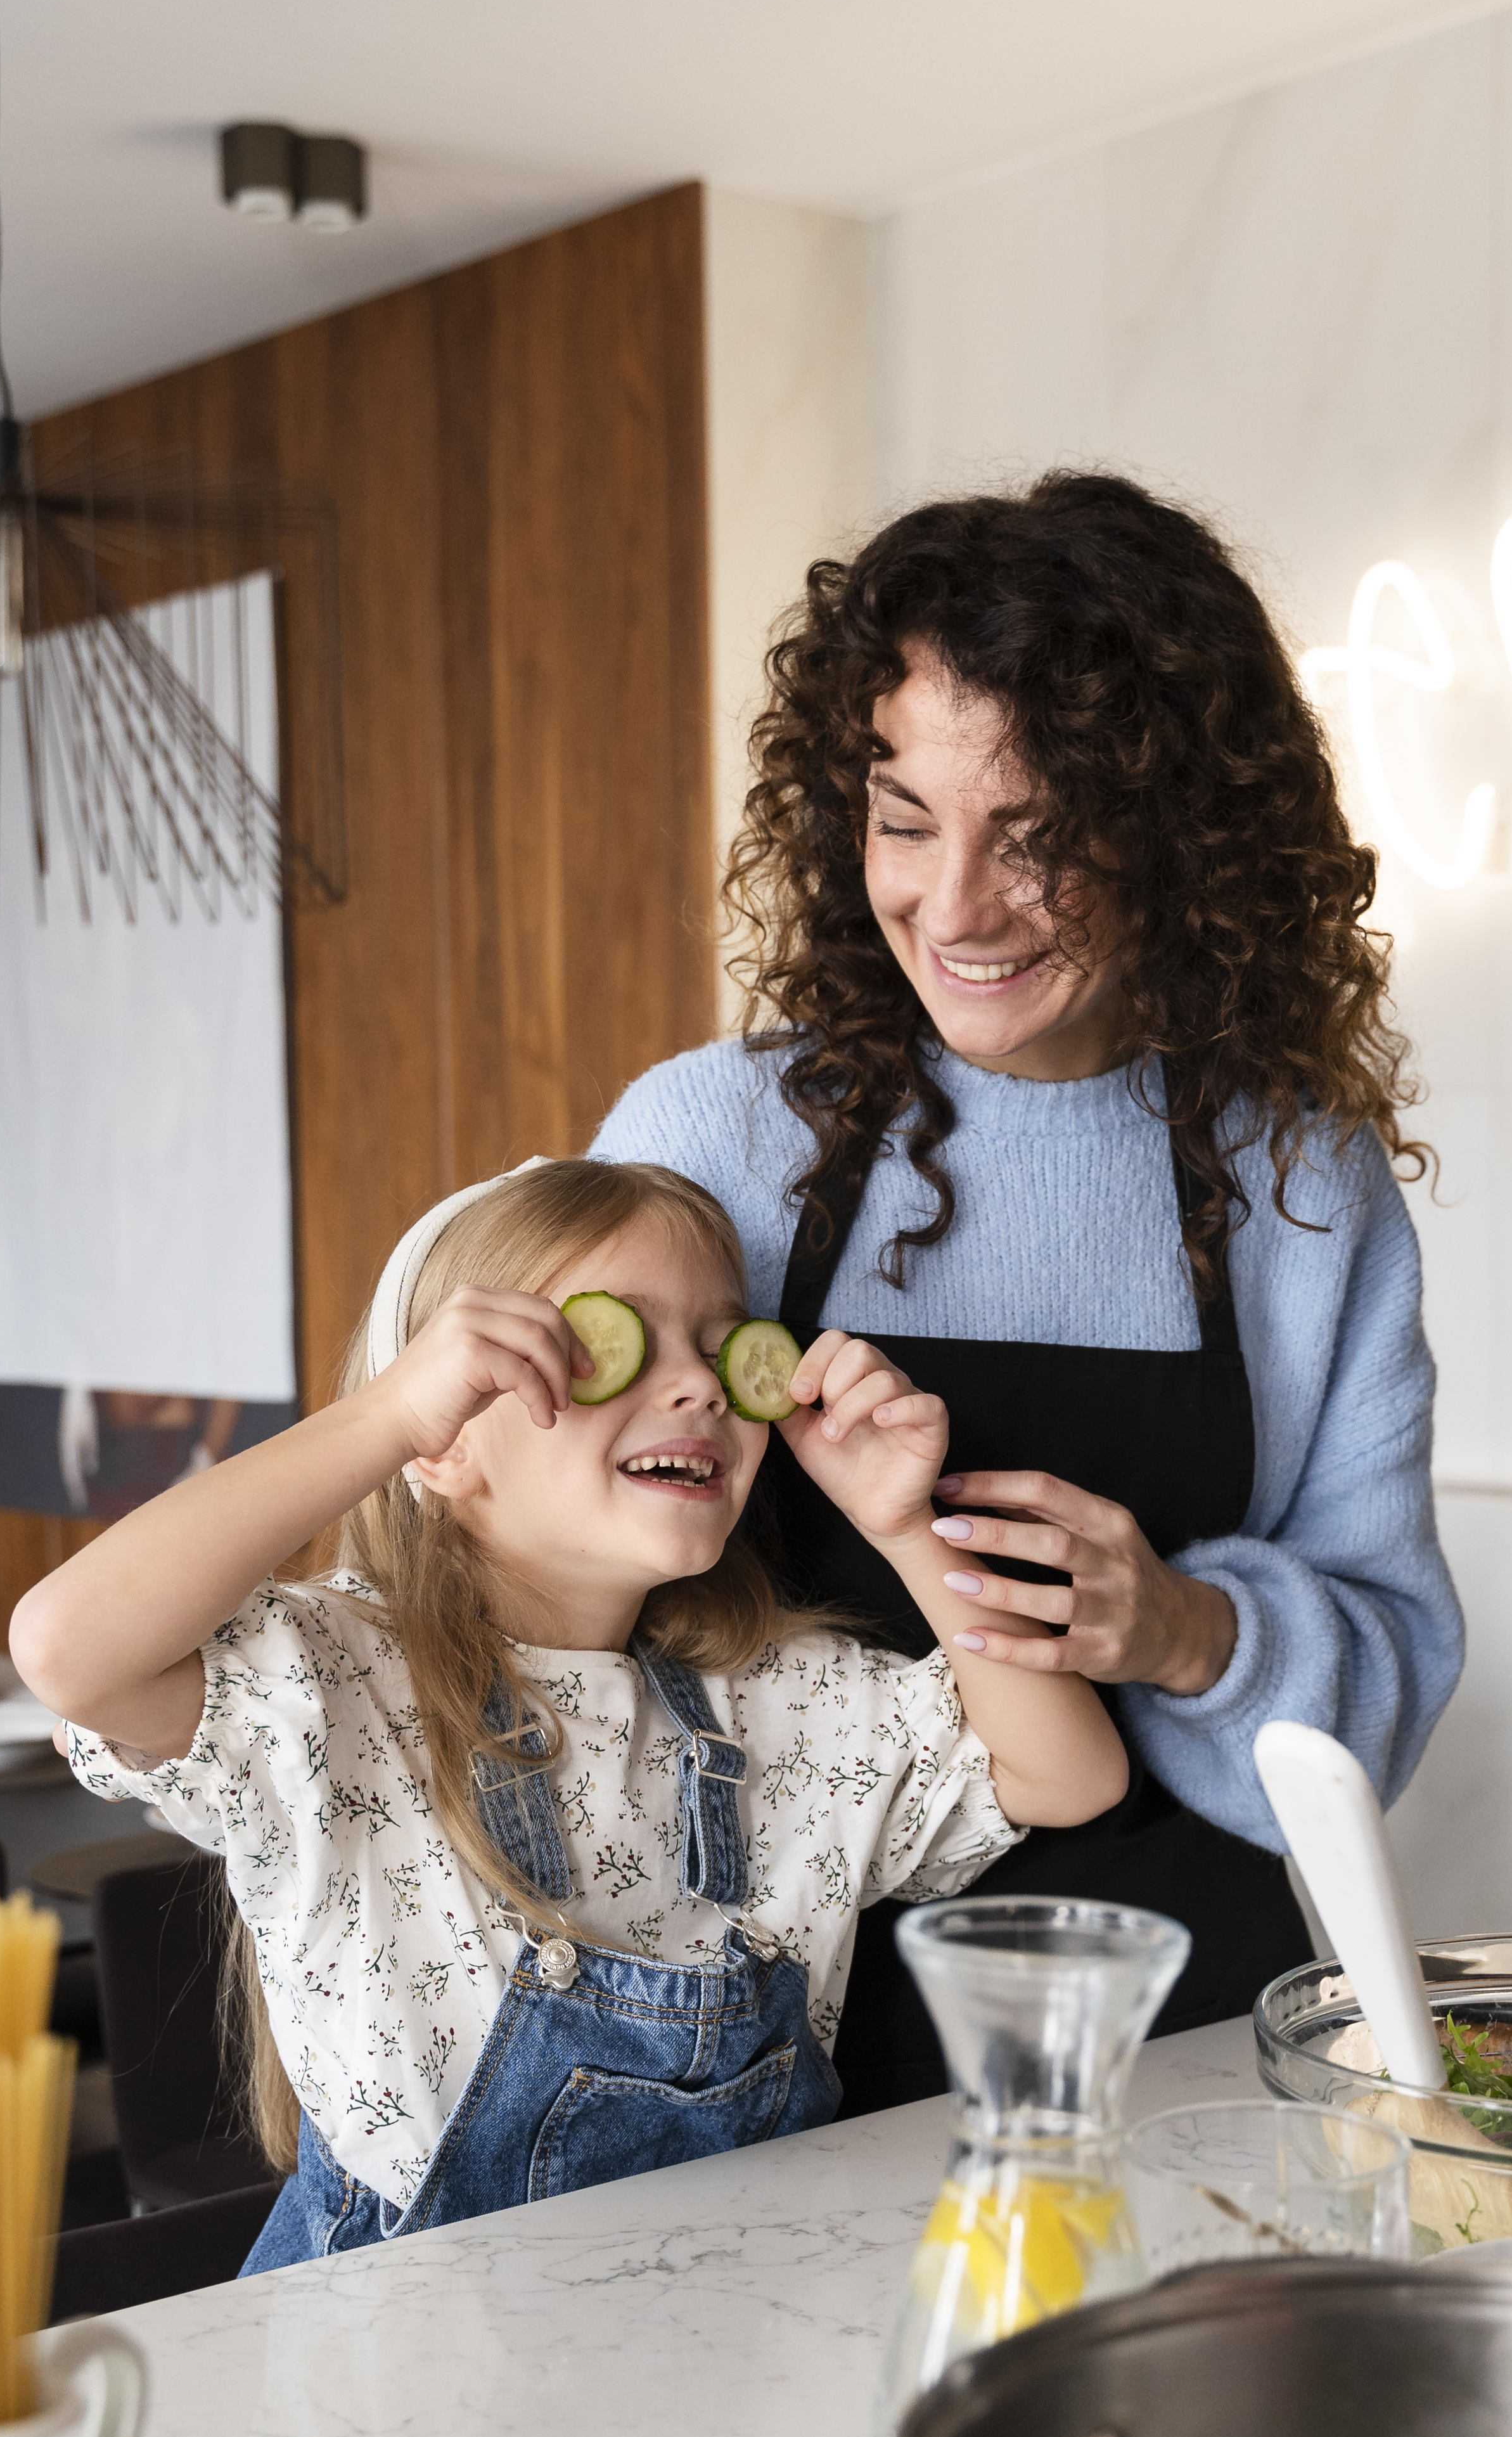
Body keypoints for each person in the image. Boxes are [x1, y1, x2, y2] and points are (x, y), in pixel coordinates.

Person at [594, 470, 1463, 2115]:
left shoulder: (1298, 1183)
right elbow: (540, 1580)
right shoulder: (714, 1139)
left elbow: (1390, 1684)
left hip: (1176, 2029)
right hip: (754, 2028)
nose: (958, 904)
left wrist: (1187, 1625)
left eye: (1040, 835)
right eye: (905, 822)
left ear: (1177, 837)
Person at [8, 1156, 1125, 2260]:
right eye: (603, 1345)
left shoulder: (784, 1704)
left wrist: (902, 1526)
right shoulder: (329, 1684)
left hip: (720, 2329)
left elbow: (1068, 1775)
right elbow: (69, 1649)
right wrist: (388, 1416)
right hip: (405, 2363)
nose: (694, 1384)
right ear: (445, 1440)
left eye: (720, 1345)